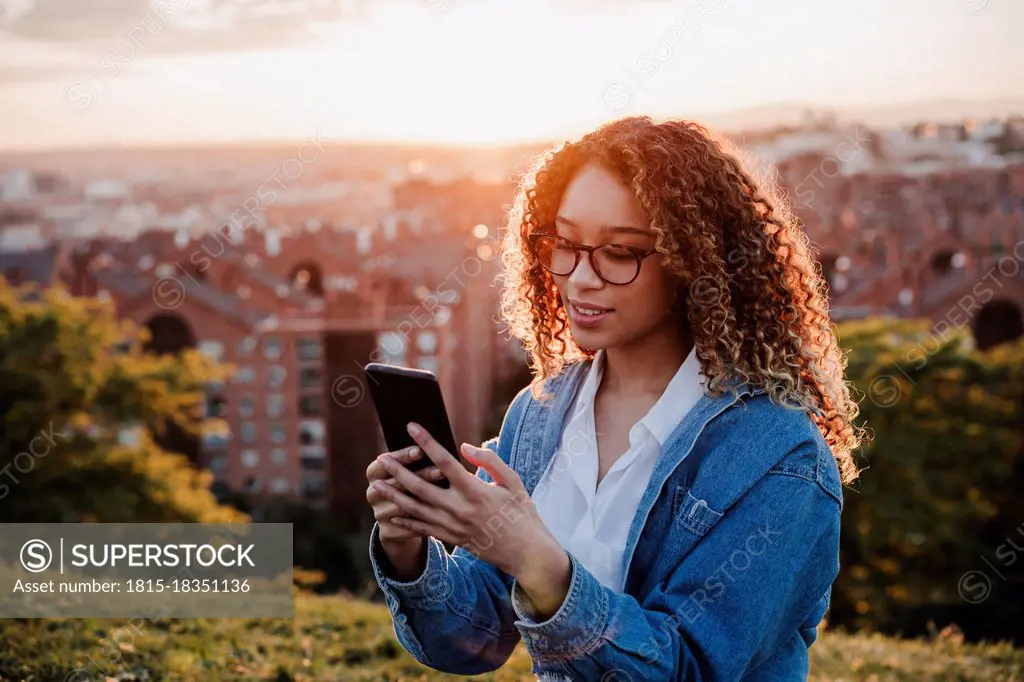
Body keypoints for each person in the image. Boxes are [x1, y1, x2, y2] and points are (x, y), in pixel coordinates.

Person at [365, 115, 865, 681]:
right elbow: (471, 639)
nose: (579, 277)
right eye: (566, 244)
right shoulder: (539, 414)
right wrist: (407, 547)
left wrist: (538, 562)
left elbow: (687, 668)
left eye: (619, 252)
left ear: (692, 264)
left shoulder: (780, 460)